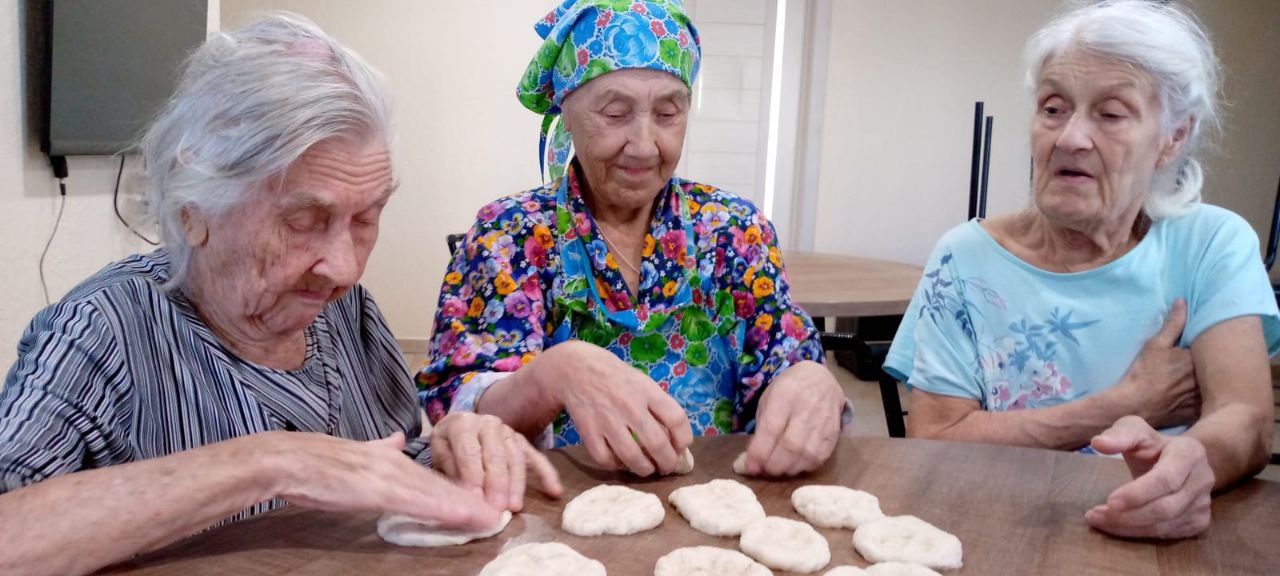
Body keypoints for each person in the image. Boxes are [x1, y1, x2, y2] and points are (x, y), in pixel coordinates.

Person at [0, 14, 559, 576]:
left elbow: (378, 472)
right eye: (303, 221)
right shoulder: (98, 332)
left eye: (365, 219)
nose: (343, 267)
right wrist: (268, 463)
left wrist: (447, 448)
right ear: (193, 207)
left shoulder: (348, 314)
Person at [885, 0, 1278, 540]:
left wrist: (1192, 465)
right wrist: (1122, 405)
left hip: (1155, 540)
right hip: (994, 528)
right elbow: (934, 439)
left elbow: (1246, 419)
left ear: (1173, 137)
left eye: (1111, 114)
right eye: (1053, 108)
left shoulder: (1210, 243)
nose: (1069, 138)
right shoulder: (965, 258)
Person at [417, 0, 847, 479]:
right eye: (615, 112)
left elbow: (784, 357)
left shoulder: (734, 230)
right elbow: (459, 413)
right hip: (549, 507)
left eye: (668, 113)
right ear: (567, 112)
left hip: (718, 495)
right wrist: (554, 375)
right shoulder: (509, 236)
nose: (644, 146)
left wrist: (809, 379)